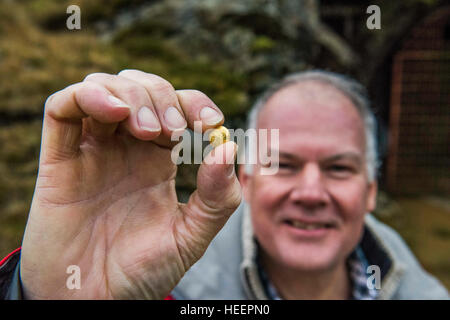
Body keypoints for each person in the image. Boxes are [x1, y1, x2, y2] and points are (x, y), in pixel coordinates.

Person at [0, 70, 448, 300]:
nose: (311, 193)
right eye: (282, 163)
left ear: (371, 191)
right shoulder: (169, 289)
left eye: (339, 169)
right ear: (246, 179)